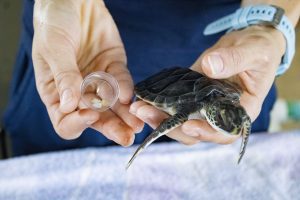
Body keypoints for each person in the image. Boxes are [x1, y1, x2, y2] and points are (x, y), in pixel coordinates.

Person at [2, 0, 300, 156]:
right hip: (83, 48)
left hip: (233, 48)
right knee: (75, 120)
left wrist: (266, 26)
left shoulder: (234, 96)